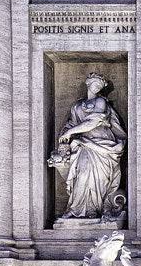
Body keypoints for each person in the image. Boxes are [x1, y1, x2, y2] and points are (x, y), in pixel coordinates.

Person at [49, 74, 126, 219]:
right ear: (88, 83)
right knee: (82, 175)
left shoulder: (100, 102)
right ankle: (75, 208)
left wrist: (71, 132)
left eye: (100, 86)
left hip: (102, 145)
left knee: (98, 179)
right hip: (83, 145)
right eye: (95, 84)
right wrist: (67, 134)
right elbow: (71, 124)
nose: (97, 87)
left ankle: (93, 209)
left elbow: (92, 123)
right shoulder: (77, 105)